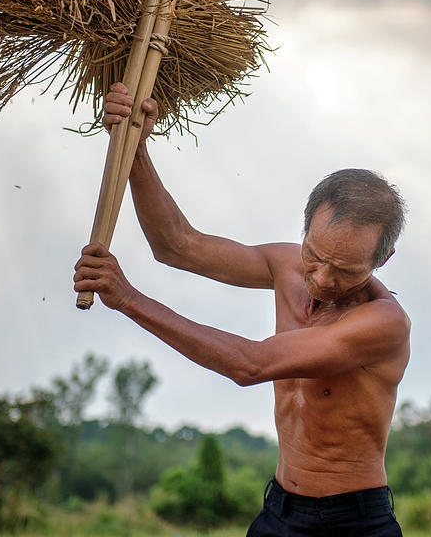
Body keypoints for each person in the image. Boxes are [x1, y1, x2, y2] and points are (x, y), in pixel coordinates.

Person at [73, 83, 411, 536]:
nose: (324, 278)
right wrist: (133, 144)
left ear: (381, 260)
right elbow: (176, 246)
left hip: (353, 523)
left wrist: (130, 300)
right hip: (279, 511)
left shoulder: (382, 323)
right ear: (305, 227)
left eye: (347, 270)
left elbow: (250, 365)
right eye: (315, 255)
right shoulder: (285, 264)